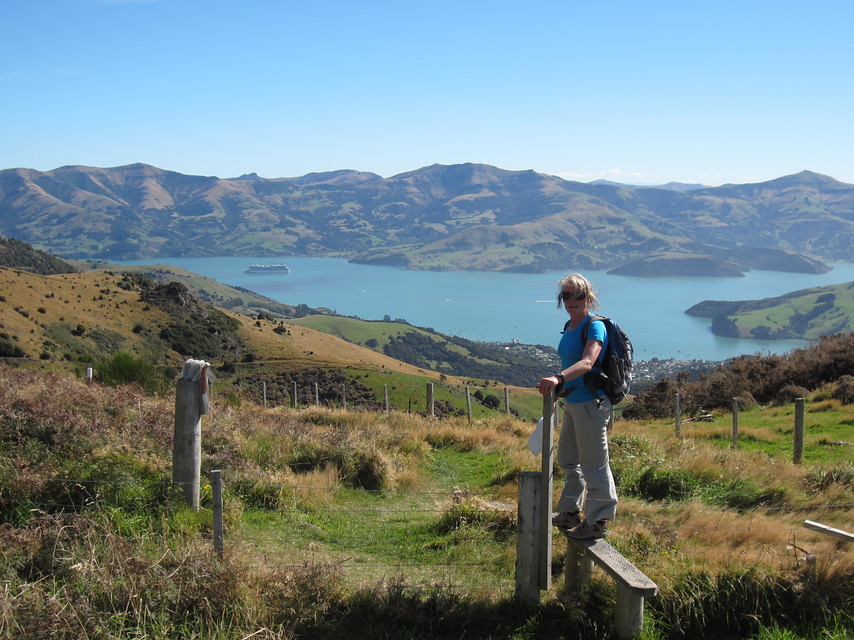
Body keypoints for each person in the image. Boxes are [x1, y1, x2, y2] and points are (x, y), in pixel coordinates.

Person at [535, 273, 617, 540]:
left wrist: (558, 377)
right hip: (573, 402)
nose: (572, 300)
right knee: (569, 460)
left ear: (589, 297)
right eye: (566, 295)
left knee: (594, 464)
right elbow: (574, 369)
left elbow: (587, 363)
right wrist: (561, 388)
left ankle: (598, 521)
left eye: (578, 294)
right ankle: (570, 511)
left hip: (591, 406)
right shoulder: (570, 325)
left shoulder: (594, 326)